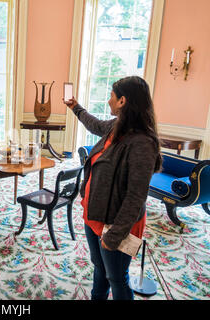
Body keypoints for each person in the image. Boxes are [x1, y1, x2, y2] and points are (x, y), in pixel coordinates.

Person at [65, 76, 162, 300]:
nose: (109, 101)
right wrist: (75, 107)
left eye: (111, 96)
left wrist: (114, 236)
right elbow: (94, 124)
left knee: (117, 278)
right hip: (95, 215)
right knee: (100, 268)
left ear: (122, 101)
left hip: (117, 225)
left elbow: (135, 197)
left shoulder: (142, 143)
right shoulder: (116, 126)